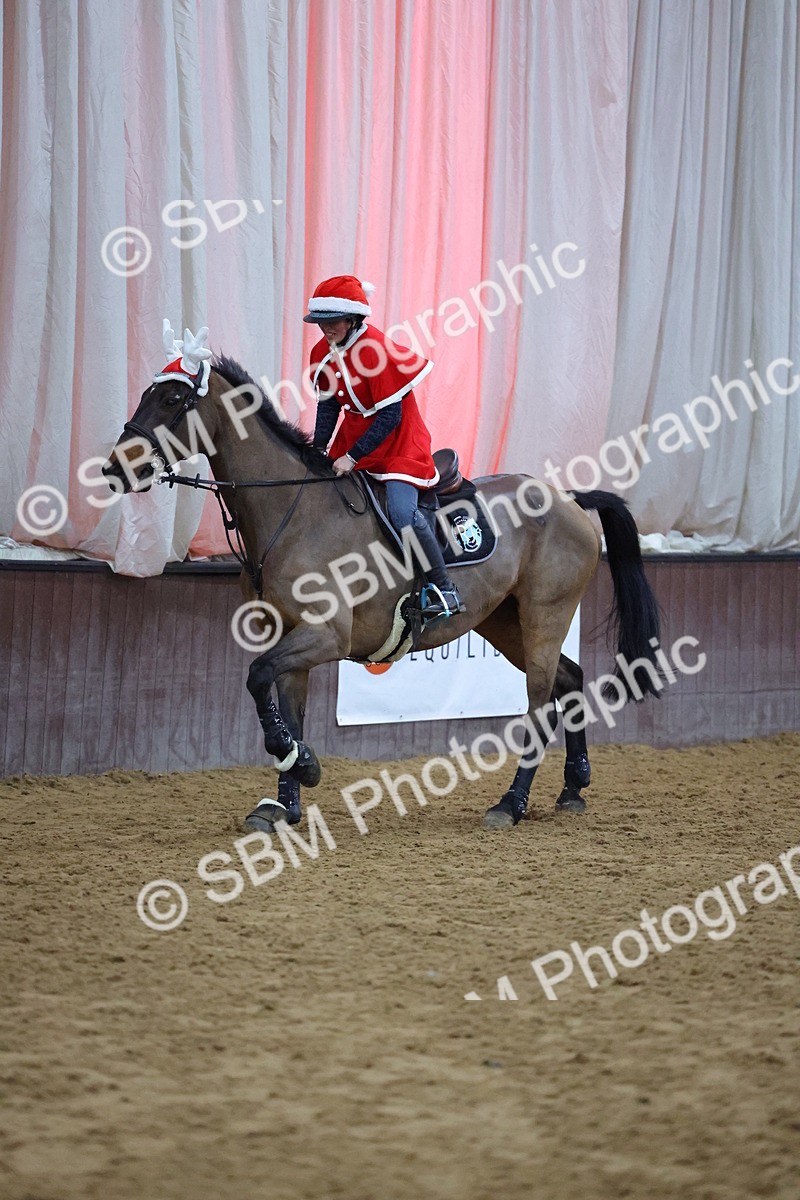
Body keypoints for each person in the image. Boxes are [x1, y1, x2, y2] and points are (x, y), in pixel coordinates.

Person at [304, 274, 465, 621]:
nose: (325, 329)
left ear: (352, 319)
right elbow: (329, 405)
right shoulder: (322, 351)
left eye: (332, 322)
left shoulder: (375, 349)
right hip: (356, 433)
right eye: (321, 323)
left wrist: (351, 456)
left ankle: (445, 589)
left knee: (402, 512)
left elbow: (391, 415)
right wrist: (319, 449)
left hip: (399, 440)